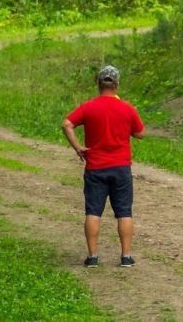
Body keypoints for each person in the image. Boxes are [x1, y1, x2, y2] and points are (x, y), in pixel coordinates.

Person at [62, 65, 145, 268]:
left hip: (96, 167)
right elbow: (141, 133)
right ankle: (126, 256)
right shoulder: (127, 108)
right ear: (117, 84)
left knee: (93, 212)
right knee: (124, 212)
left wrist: (78, 147)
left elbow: (67, 124)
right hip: (121, 168)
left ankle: (93, 257)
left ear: (98, 83)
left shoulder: (88, 107)